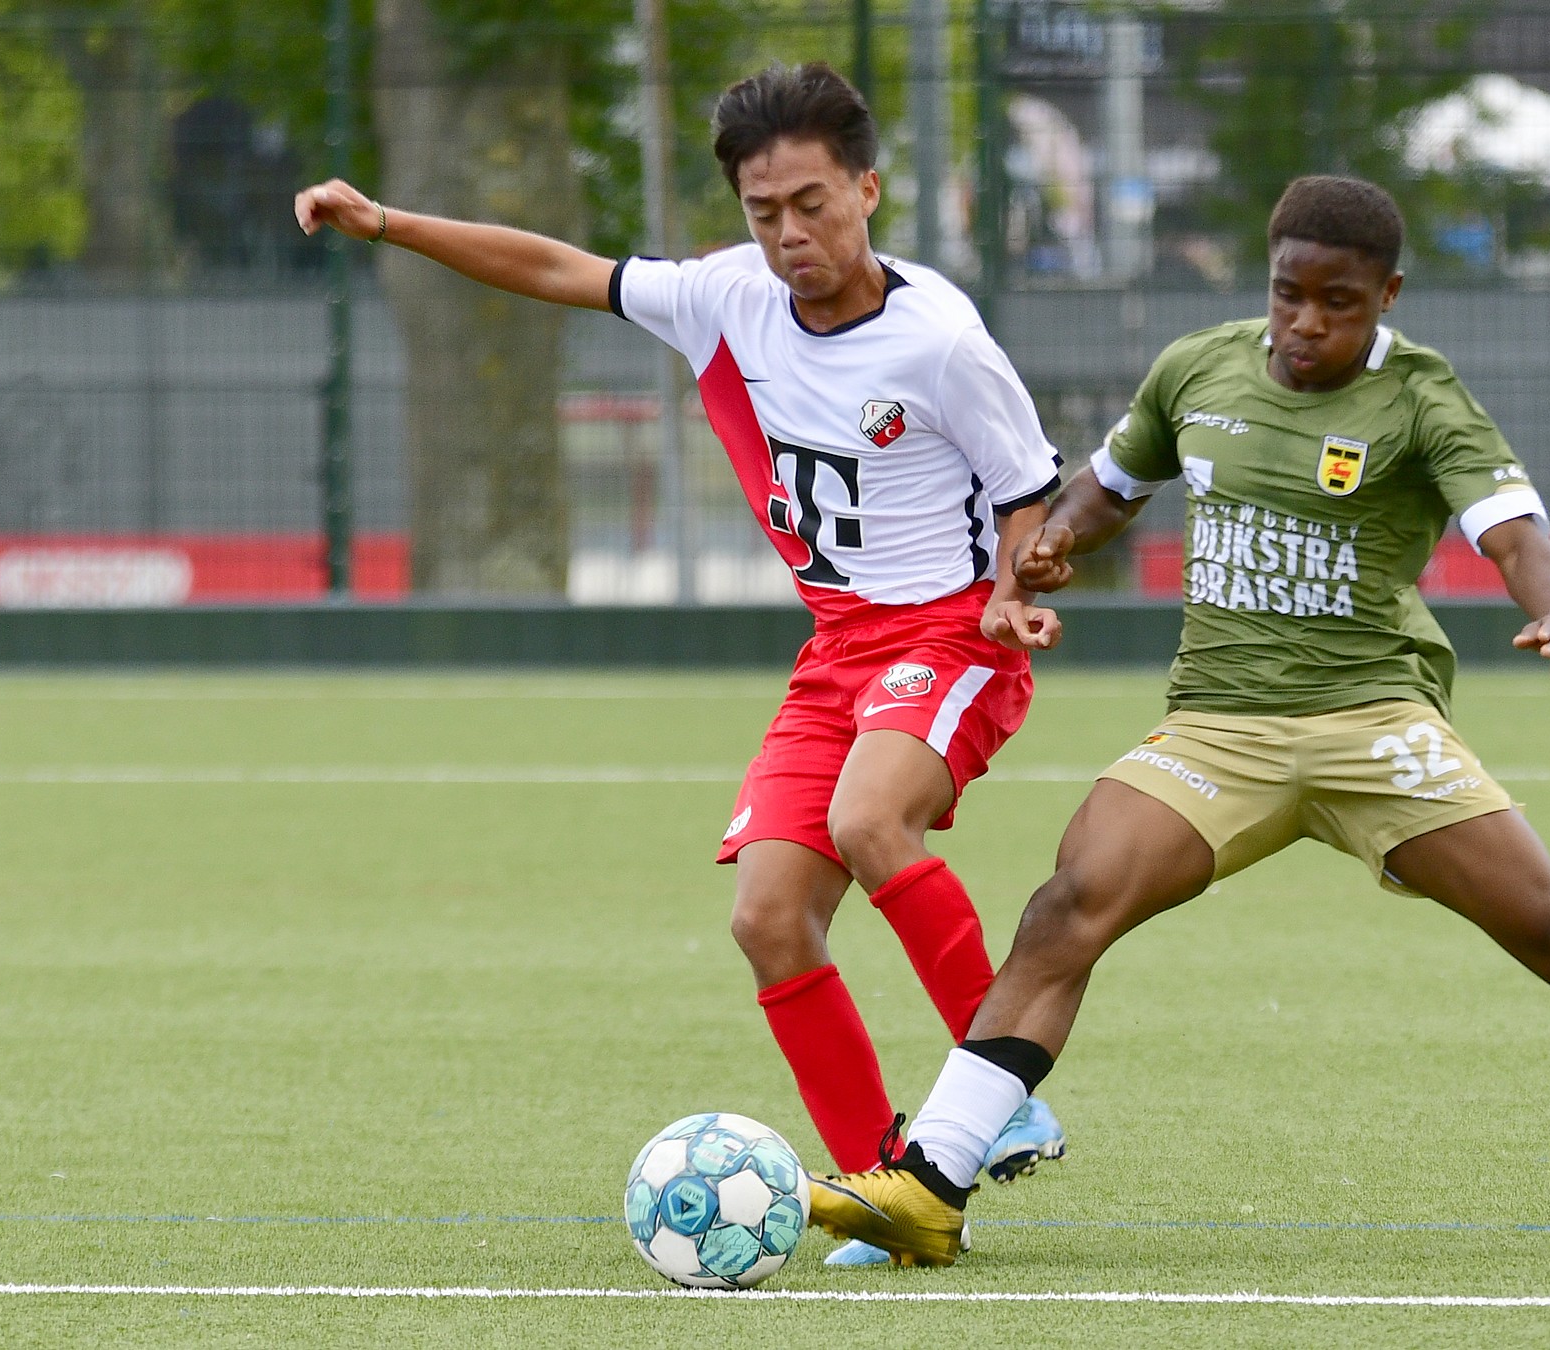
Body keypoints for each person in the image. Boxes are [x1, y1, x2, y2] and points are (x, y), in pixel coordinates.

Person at [804, 175, 1550, 1266]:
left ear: (1388, 296)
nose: (1308, 324)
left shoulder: (1422, 398)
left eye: (1340, 302)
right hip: (1218, 729)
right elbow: (1108, 487)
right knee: (1066, 907)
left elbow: (1516, 535)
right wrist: (1056, 548)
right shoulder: (1198, 369)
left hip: (1373, 725)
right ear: (1267, 280)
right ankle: (931, 1185)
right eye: (1290, 295)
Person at [294, 63, 1068, 1267]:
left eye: (814, 203)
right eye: (765, 213)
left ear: (870, 189)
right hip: (836, 652)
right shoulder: (724, 298)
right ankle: (888, 1187)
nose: (791, 234)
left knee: (873, 821)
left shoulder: (943, 341)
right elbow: (558, 269)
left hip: (950, 633)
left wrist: (1018, 595)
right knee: (767, 919)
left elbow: (1031, 498)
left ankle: (997, 1089)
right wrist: (388, 222)